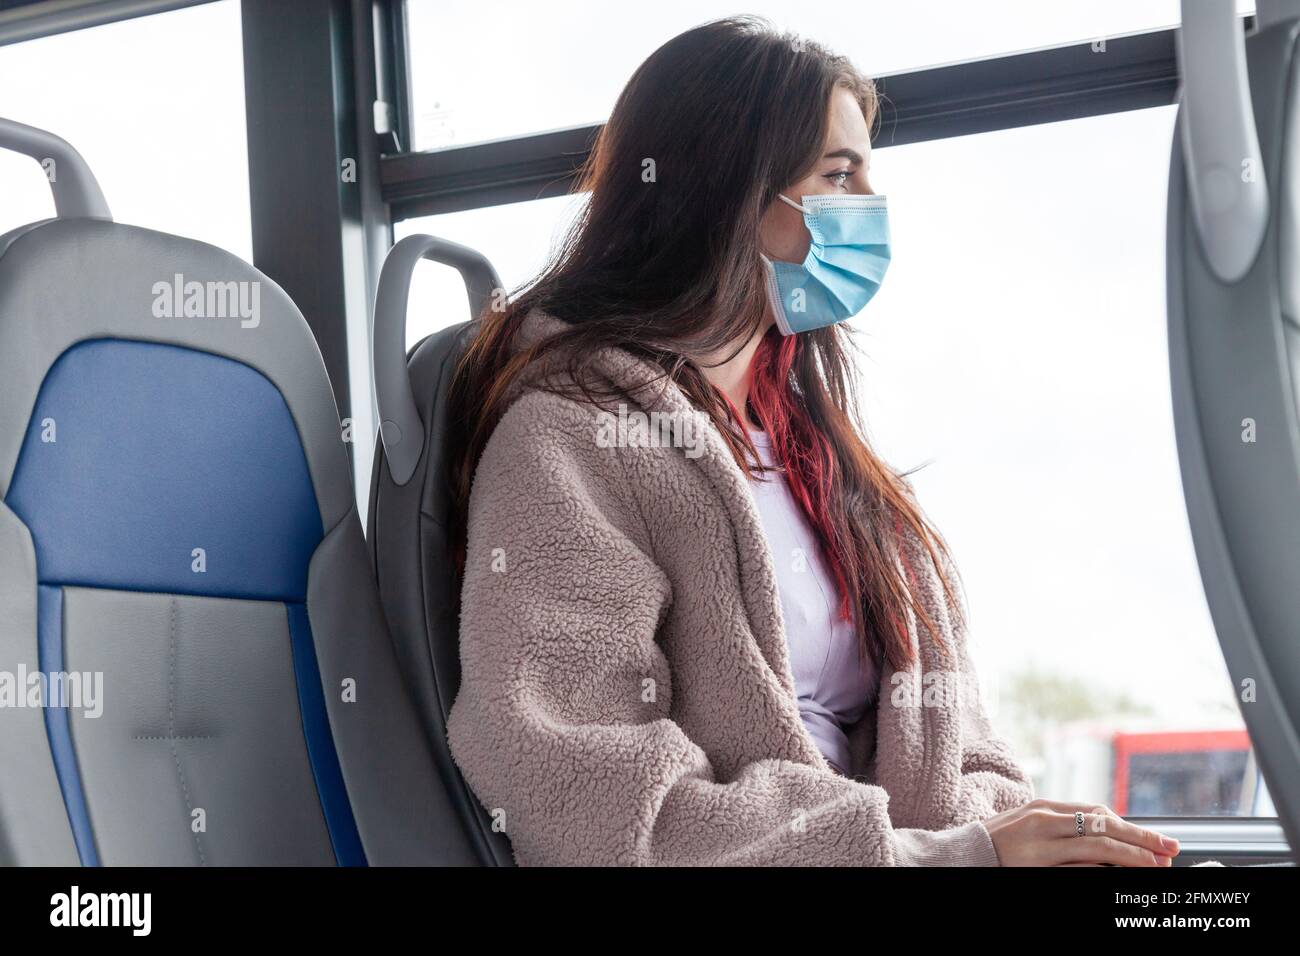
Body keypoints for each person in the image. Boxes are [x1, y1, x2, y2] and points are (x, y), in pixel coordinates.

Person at [443, 15, 1180, 867]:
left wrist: (1049, 840)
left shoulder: (821, 454)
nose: (870, 206)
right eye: (840, 173)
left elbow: (953, 757)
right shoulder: (570, 437)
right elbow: (579, 786)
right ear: (730, 189)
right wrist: (942, 859)